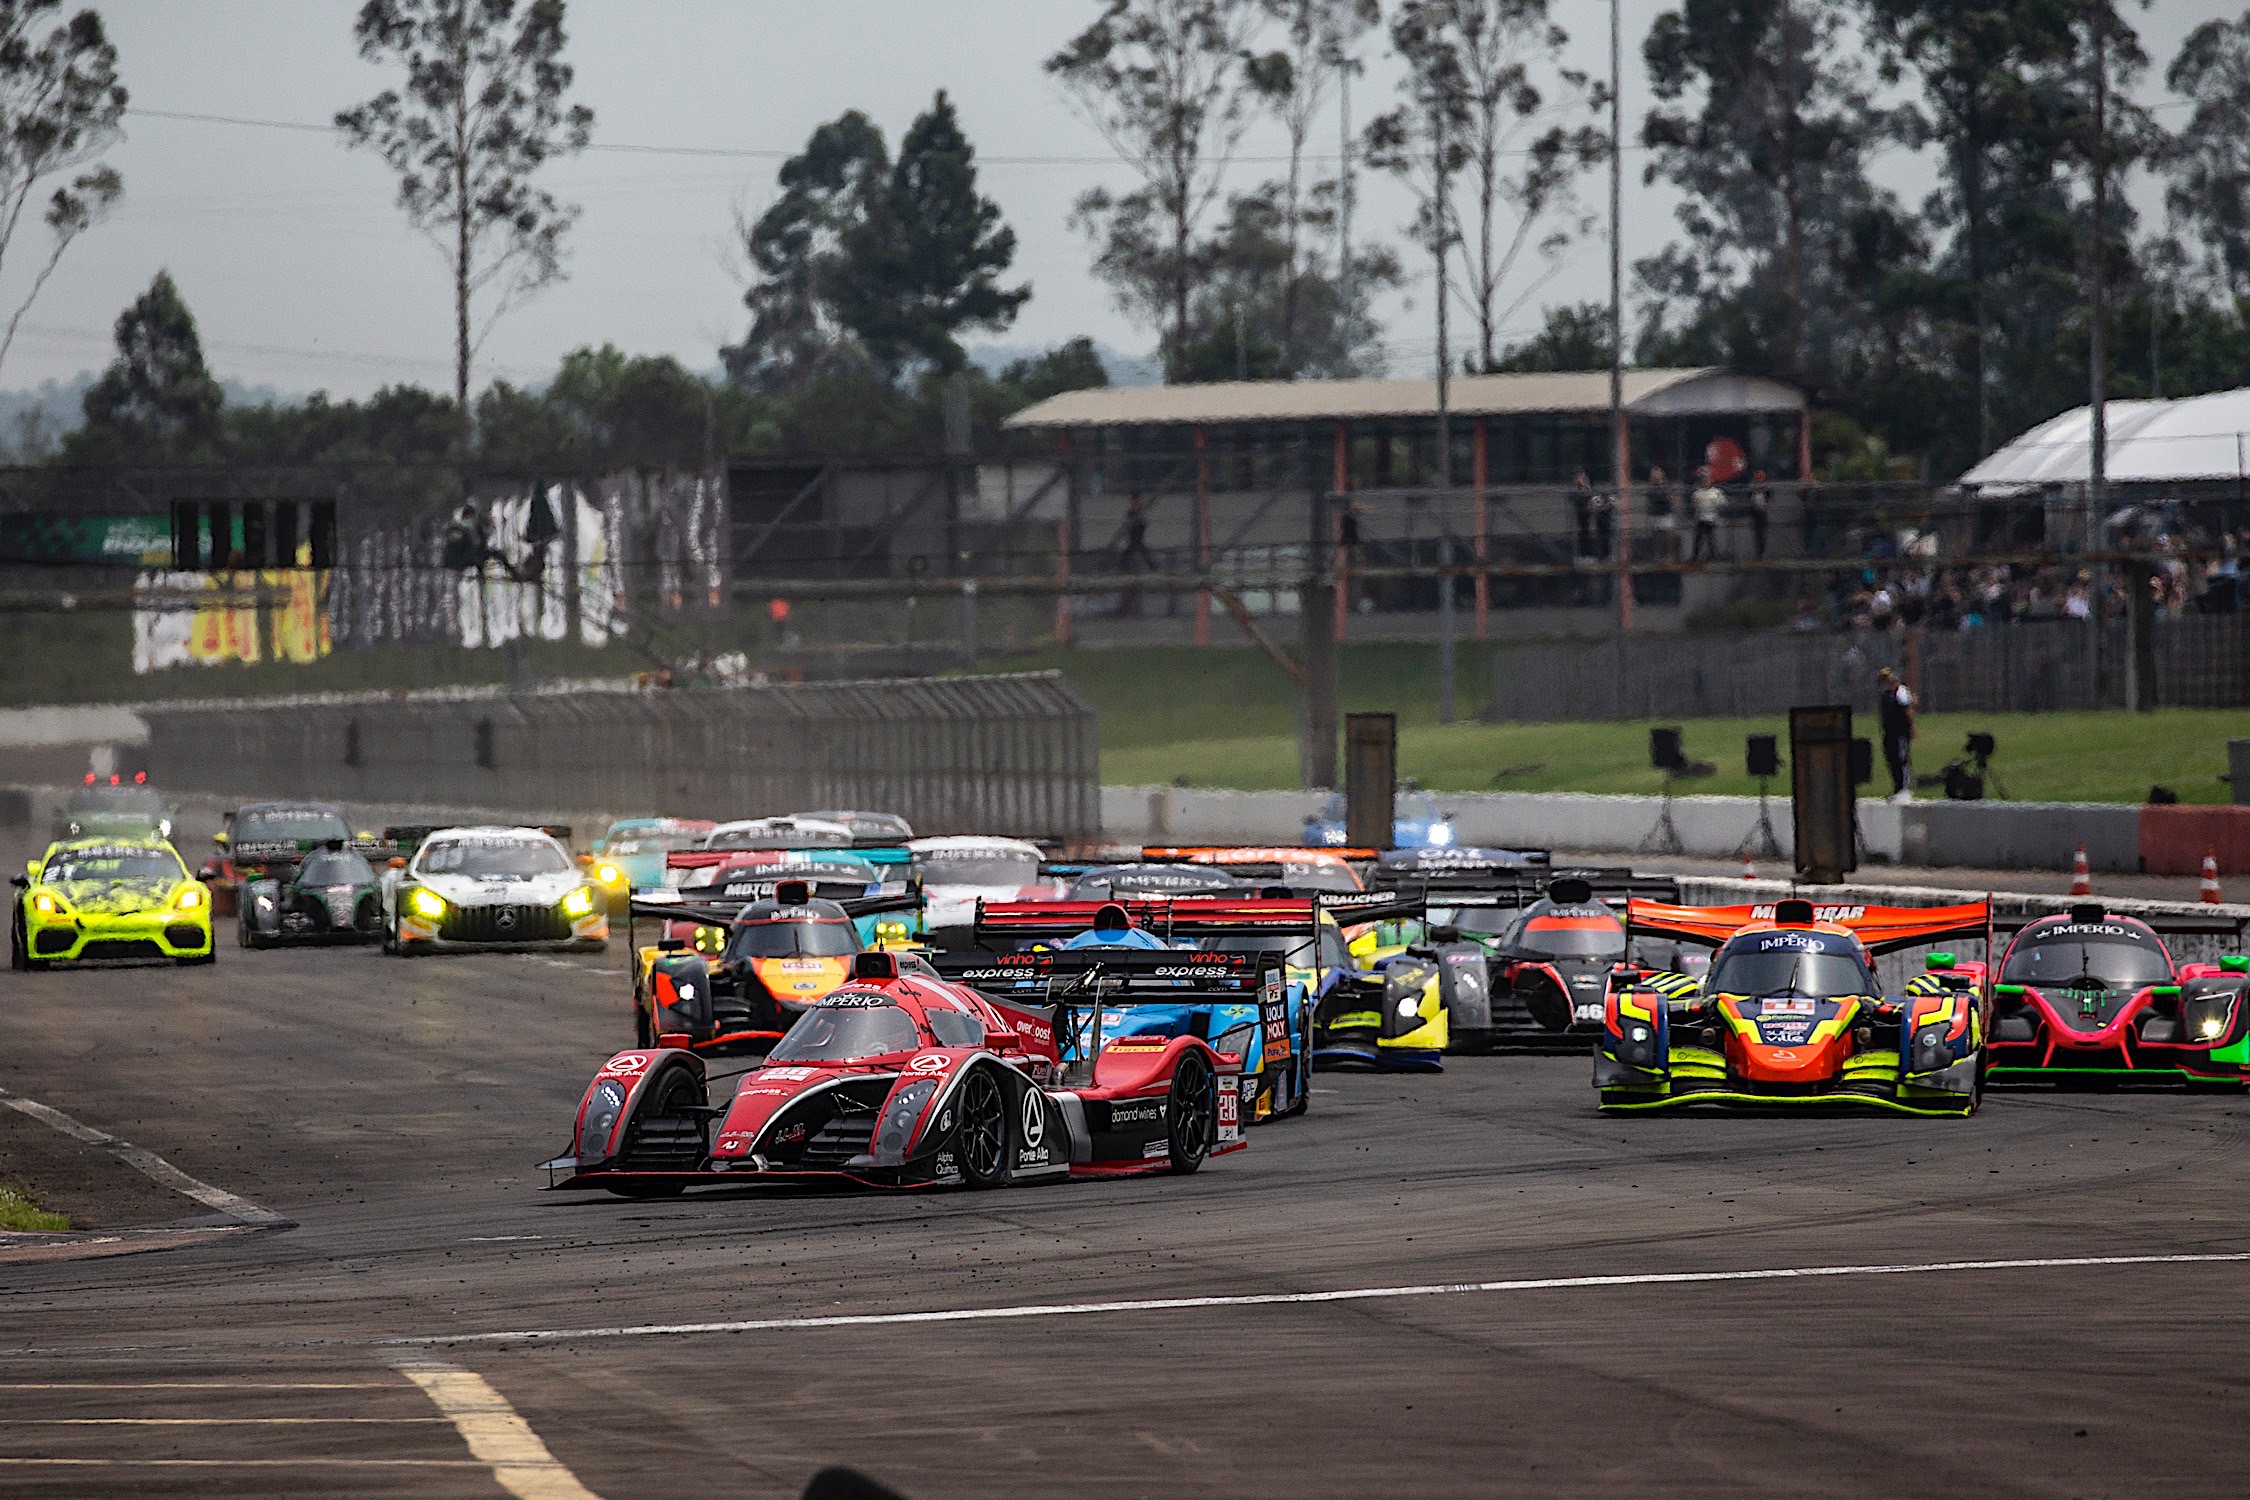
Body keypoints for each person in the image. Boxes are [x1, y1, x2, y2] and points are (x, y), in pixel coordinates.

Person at [1877, 666, 1915, 803]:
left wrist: (1911, 728)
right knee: (1892, 759)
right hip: (1889, 732)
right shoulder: (1884, 695)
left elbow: (1908, 710)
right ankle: (1897, 787)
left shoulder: (1901, 692)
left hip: (1900, 732)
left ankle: (1905, 788)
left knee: (1902, 759)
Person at [1689, 466, 1724, 562]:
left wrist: (1718, 516)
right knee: (1698, 538)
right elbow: (1693, 504)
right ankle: (1695, 556)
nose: (1705, 480)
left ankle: (1714, 556)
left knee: (1711, 539)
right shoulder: (1697, 492)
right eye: (1703, 478)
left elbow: (1721, 505)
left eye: (1707, 478)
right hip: (1700, 518)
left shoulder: (1716, 492)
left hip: (1711, 518)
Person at [1645, 466, 1675, 560]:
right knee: (1656, 535)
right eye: (1653, 475)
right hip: (1654, 513)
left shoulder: (1667, 485)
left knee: (1667, 534)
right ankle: (1658, 555)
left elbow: (1673, 498)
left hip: (1665, 513)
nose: (1655, 476)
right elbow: (1649, 497)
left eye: (1657, 474)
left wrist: (1668, 496)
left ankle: (1669, 554)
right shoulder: (1651, 487)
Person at [1746, 469, 1771, 560]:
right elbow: (1749, 498)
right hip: (1755, 511)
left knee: (1762, 532)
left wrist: (1766, 504)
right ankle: (1758, 552)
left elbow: (1769, 499)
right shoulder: (1752, 488)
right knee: (1756, 533)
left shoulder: (1766, 488)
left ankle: (1761, 551)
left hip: (1763, 511)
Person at [1570, 469, 1595, 558]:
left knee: (1586, 534)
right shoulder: (1576, 490)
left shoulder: (1587, 489)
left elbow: (1590, 497)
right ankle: (1583, 555)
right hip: (1580, 514)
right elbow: (1574, 499)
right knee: (1582, 534)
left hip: (1586, 514)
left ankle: (1588, 554)